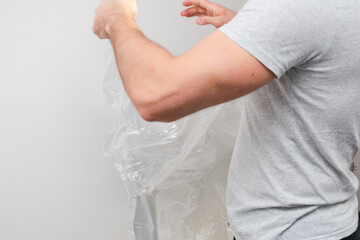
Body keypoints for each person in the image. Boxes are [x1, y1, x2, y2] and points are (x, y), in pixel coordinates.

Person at [93, 0, 360, 239]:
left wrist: (116, 17)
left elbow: (154, 95)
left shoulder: (300, 7)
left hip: (288, 230)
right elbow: (332, 58)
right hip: (331, 224)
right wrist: (258, 35)